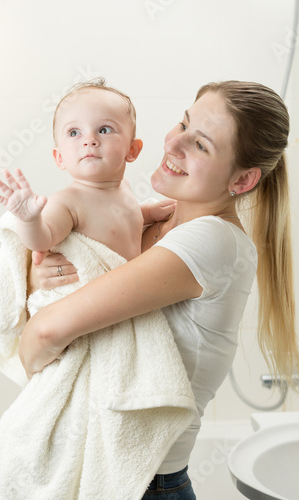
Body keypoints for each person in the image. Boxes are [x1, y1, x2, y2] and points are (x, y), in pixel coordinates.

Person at [19, 80, 299, 499]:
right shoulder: (153, 221)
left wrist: (27, 350)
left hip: (145, 484)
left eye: (201, 145)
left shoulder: (214, 242)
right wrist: (39, 275)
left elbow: (46, 331)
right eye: (183, 123)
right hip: (103, 469)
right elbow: (64, 283)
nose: (174, 144)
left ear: (242, 181)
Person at [0, 78, 174, 265]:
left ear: (132, 150)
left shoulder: (123, 187)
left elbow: (118, 220)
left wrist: (149, 213)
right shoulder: (68, 203)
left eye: (104, 129)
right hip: (97, 292)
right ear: (59, 157)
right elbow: (43, 239)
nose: (89, 140)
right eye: (74, 132)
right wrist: (29, 221)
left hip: (129, 289)